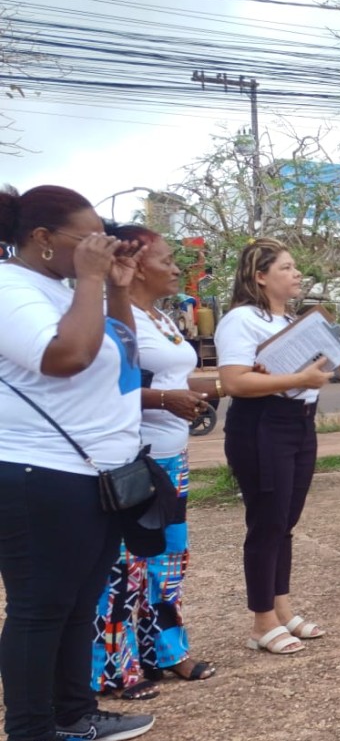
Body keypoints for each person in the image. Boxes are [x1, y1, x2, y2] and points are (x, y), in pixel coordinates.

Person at [0, 185, 154, 741]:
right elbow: (64, 356)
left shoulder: (64, 290)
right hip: (38, 474)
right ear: (42, 241)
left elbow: (120, 354)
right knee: (40, 608)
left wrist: (113, 286)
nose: (99, 246)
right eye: (86, 238)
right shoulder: (11, 290)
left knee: (77, 603)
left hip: (94, 474)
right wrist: (91, 282)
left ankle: (74, 714)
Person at [92, 224, 218, 701]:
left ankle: (165, 651)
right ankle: (114, 665)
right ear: (137, 264)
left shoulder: (161, 317)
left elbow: (176, 375)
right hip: (134, 459)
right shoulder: (112, 315)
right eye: (166, 259)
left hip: (172, 454)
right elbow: (110, 383)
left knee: (169, 560)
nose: (175, 268)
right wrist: (165, 398)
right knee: (126, 568)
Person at [219, 238, 340, 654]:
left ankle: (282, 609)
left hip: (298, 423)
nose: (296, 275)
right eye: (286, 268)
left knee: (285, 521)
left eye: (296, 268)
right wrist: (297, 380)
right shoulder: (241, 320)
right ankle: (260, 622)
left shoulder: (287, 321)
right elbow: (236, 381)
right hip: (262, 425)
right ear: (260, 276)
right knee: (267, 521)